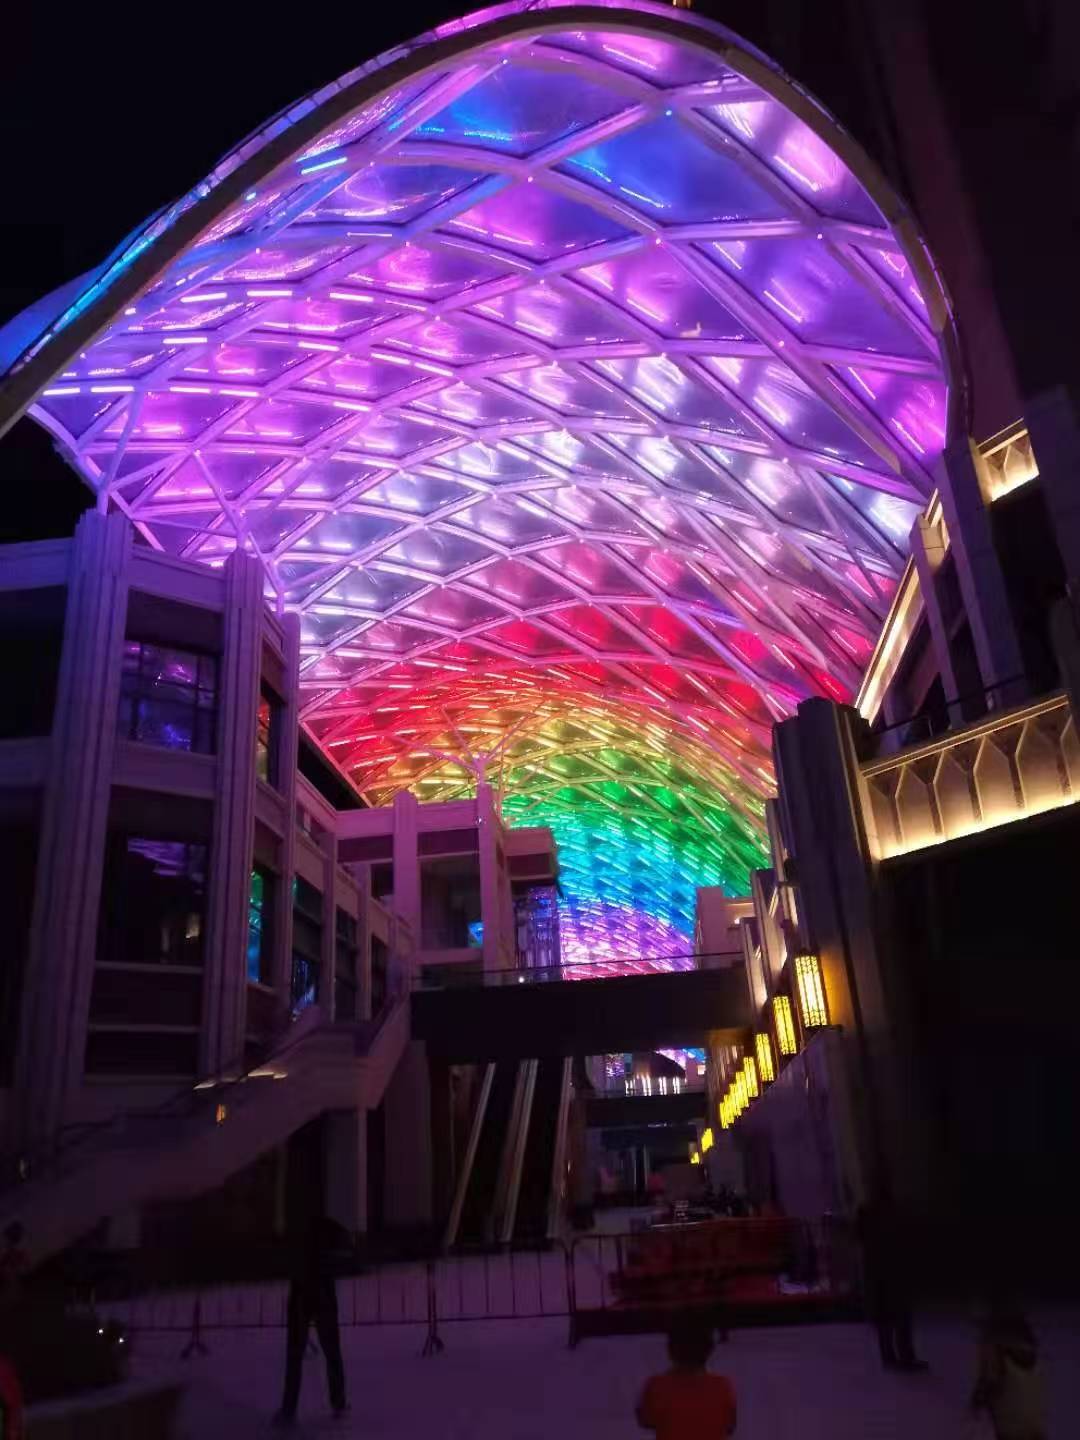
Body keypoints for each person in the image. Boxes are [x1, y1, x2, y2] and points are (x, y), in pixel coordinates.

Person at [275, 1216, 349, 1427]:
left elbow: (288, 1260)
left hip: (304, 1295)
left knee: (297, 1355)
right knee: (330, 1351)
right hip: (320, 1294)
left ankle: (289, 1408)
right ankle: (338, 1403)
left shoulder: (300, 1230)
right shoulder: (327, 1228)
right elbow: (344, 1253)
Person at [856, 1182, 928, 1373]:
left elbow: (859, 1236)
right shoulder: (895, 1210)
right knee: (901, 1315)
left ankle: (889, 1356)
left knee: (884, 1317)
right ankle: (906, 1357)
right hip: (894, 1268)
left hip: (876, 1269)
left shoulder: (866, 1211)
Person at [636, 1313, 736, 1438]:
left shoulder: (656, 1386)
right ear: (709, 1350)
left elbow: (645, 1420)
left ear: (671, 1349)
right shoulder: (723, 1386)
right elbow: (730, 1425)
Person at [971, 1302, 1046, 1440]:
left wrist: (976, 1402)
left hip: (1011, 1429)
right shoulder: (1032, 1349)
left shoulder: (993, 1346)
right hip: (1036, 1429)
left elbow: (990, 1382)